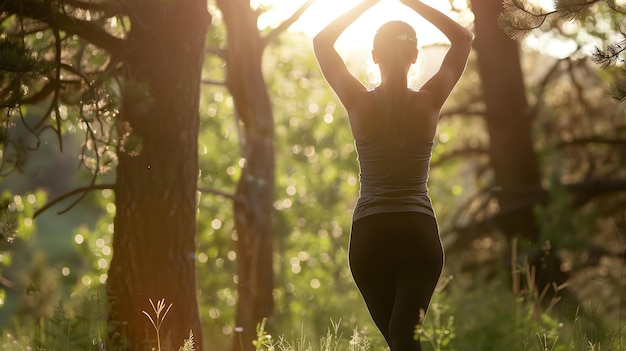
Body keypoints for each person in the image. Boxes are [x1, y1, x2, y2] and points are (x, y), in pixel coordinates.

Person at [313, 0, 472, 350]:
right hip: (418, 233)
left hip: (371, 236)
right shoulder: (428, 103)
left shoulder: (359, 103)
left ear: (374, 56)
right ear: (415, 57)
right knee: (404, 341)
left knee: (400, 342)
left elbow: (322, 43)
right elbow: (462, 39)